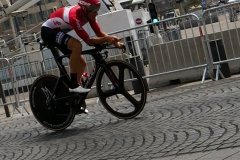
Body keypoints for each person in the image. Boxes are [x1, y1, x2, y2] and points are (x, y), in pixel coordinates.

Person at [41, 0, 124, 93]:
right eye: (94, 10)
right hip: (48, 31)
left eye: (97, 9)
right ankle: (74, 86)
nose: (96, 13)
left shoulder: (89, 15)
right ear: (85, 9)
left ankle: (75, 95)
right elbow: (89, 41)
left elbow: (99, 33)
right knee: (77, 45)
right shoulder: (74, 17)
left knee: (82, 63)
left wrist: (115, 43)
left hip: (58, 31)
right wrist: (107, 39)